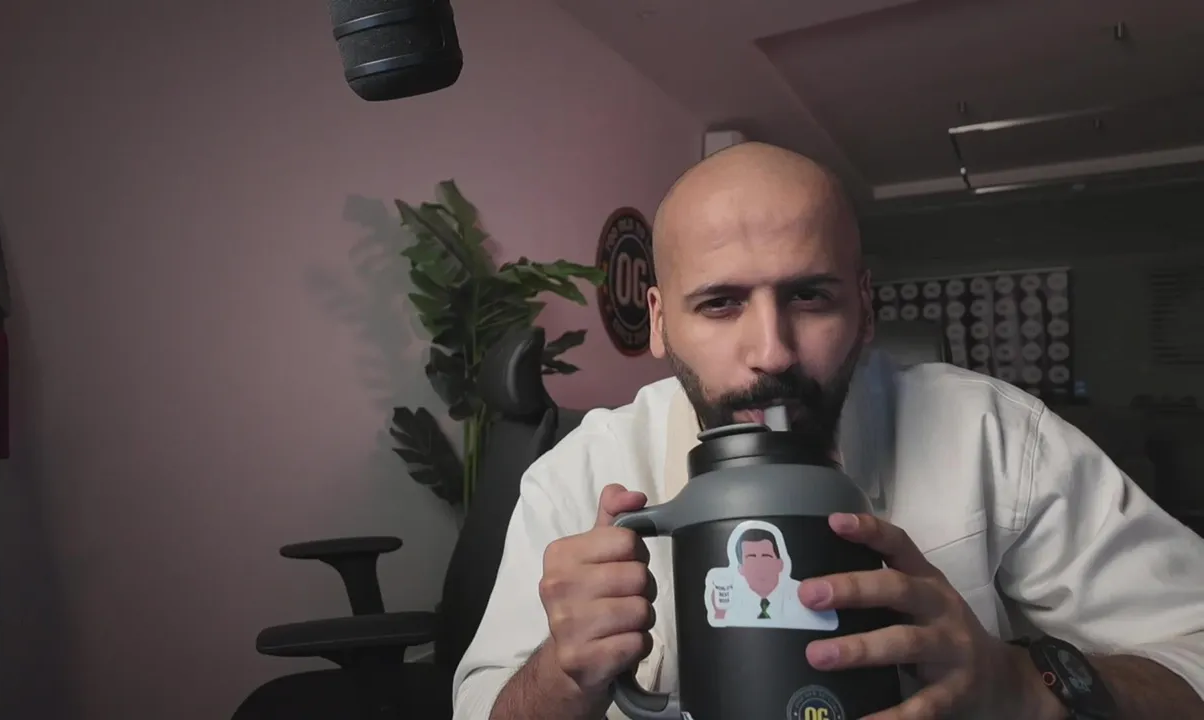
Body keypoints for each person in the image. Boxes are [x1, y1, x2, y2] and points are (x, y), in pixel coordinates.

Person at [452, 142, 1204, 719]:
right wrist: (561, 674)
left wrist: (1025, 685)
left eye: (810, 296)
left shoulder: (995, 437)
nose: (772, 352)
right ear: (658, 321)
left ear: (866, 309)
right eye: (719, 304)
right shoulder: (582, 473)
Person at [706, 522, 839, 631]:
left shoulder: (806, 595)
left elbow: (829, 625)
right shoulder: (730, 604)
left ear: (780, 564)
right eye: (751, 557)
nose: (759, 564)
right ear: (740, 569)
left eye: (766, 556)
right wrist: (720, 613)